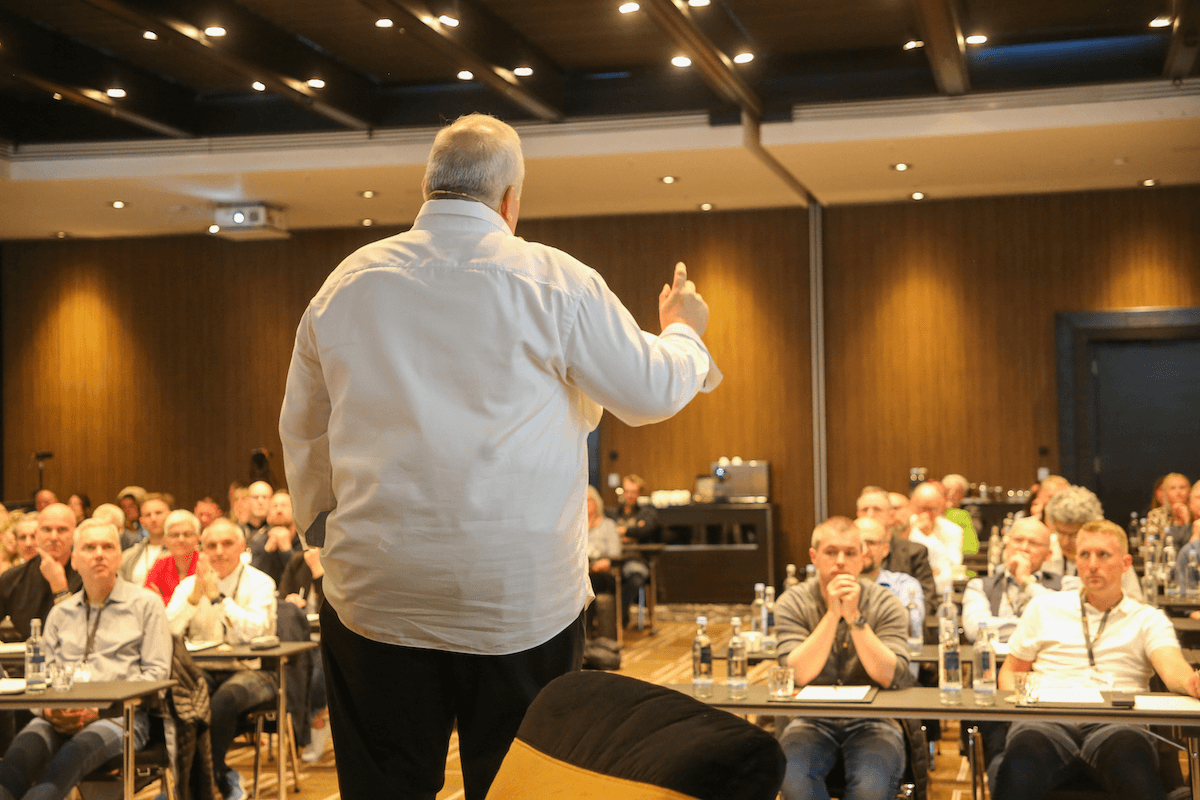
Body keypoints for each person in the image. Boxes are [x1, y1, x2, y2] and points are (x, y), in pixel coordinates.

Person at [279, 112, 719, 800]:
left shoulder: (347, 283)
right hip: (519, 599)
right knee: (520, 790)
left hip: (377, 591)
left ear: (425, 188)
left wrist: (325, 536)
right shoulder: (556, 281)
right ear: (511, 198)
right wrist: (683, 331)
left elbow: (305, 432)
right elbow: (651, 389)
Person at [990, 521, 1200, 800]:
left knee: (1133, 763)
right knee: (1021, 760)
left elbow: (1172, 668)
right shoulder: (1044, 608)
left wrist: (1191, 682)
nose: (1092, 565)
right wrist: (1023, 706)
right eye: (1084, 555)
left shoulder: (1147, 618)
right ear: (1075, 560)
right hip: (1047, 718)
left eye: (1103, 555)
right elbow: (1010, 672)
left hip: (1118, 721)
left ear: (1125, 563)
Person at [0, 519, 171, 800]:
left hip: (120, 718)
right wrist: (48, 711)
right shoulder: (61, 613)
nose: (99, 554)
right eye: (89, 548)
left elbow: (157, 676)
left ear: (119, 557)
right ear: (74, 560)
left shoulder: (146, 605)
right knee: (16, 762)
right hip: (57, 718)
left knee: (65, 763)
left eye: (108, 547)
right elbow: (41, 675)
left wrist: (97, 709)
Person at [775, 517, 910, 800]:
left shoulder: (887, 603)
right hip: (808, 719)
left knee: (871, 790)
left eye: (849, 553)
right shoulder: (792, 601)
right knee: (794, 780)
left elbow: (890, 675)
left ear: (862, 558)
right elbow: (798, 674)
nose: (840, 561)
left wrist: (853, 617)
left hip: (875, 720)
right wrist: (833, 614)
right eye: (831, 552)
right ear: (814, 557)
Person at [167, 518, 277, 800]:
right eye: (211, 545)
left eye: (227, 544)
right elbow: (167, 632)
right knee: (184, 701)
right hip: (203, 669)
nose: (219, 551)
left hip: (255, 671)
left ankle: (197, 785)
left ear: (242, 546)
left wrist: (219, 600)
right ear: (202, 550)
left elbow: (256, 631)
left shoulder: (260, 582)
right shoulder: (189, 586)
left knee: (222, 701)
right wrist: (194, 599)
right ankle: (220, 777)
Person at [961, 517, 1060, 643]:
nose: (1024, 547)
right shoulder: (978, 586)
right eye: (1018, 540)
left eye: (1034, 543)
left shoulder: (1067, 584)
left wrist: (1025, 581)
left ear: (1048, 554)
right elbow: (976, 630)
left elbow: (1064, 620)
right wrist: (1041, 627)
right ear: (1007, 546)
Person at [1044, 486, 1143, 602]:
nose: (1065, 542)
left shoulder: (1112, 557)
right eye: (1060, 532)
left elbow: (1135, 601)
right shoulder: (1045, 551)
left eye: (1073, 535)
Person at [0, 504, 82, 640]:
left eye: (62, 530)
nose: (54, 537)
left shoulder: (88, 574)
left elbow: (78, 633)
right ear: (37, 534)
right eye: (47, 529)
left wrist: (60, 588)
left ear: (74, 534)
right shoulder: (12, 578)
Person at [856, 488, 936, 617]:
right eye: (864, 510)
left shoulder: (915, 552)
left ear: (891, 516)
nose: (870, 515)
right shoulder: (845, 553)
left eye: (877, 509)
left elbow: (928, 602)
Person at [856, 517, 924, 648]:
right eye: (858, 544)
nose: (864, 550)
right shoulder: (835, 585)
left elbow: (911, 625)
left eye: (871, 543)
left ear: (885, 549)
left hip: (894, 656)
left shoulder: (905, 584)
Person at [906, 483, 957, 597]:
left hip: (941, 591)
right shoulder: (905, 527)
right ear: (912, 505)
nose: (926, 514)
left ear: (941, 507)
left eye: (932, 509)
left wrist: (929, 535)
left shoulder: (953, 530)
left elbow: (954, 564)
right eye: (922, 508)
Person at [144, 509, 201, 604]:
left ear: (198, 538)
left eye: (187, 534)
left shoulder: (205, 563)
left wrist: (163, 600)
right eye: (175, 535)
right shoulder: (160, 564)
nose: (181, 539)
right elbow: (147, 600)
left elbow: (204, 603)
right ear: (165, 541)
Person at [249, 491, 302, 585]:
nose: (279, 510)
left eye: (284, 505)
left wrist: (287, 550)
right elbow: (252, 580)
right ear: (268, 514)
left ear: (295, 511)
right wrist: (267, 552)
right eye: (274, 506)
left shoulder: (304, 540)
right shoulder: (259, 541)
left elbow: (303, 577)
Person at [119, 493, 171, 587]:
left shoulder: (181, 552)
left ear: (169, 515)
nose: (153, 519)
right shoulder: (129, 555)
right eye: (148, 515)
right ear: (142, 521)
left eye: (158, 513)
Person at [1146, 472, 1191, 548]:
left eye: (1182, 487)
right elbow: (1152, 544)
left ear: (1189, 491)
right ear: (1165, 492)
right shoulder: (1156, 514)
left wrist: (1187, 521)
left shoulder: (1195, 512)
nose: (1178, 492)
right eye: (1172, 488)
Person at [611, 475, 659, 543]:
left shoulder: (648, 513)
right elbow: (607, 532)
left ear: (639, 493)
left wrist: (622, 530)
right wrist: (635, 531)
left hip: (639, 549)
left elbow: (645, 531)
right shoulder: (614, 513)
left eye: (633, 492)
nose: (630, 495)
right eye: (627, 491)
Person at [941, 473, 979, 555]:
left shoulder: (964, 515)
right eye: (947, 490)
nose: (951, 494)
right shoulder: (933, 513)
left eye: (957, 491)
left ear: (963, 495)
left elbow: (971, 549)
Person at [116, 485, 149, 550]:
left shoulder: (150, 526)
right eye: (124, 507)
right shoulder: (120, 531)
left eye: (131, 506)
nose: (127, 510)